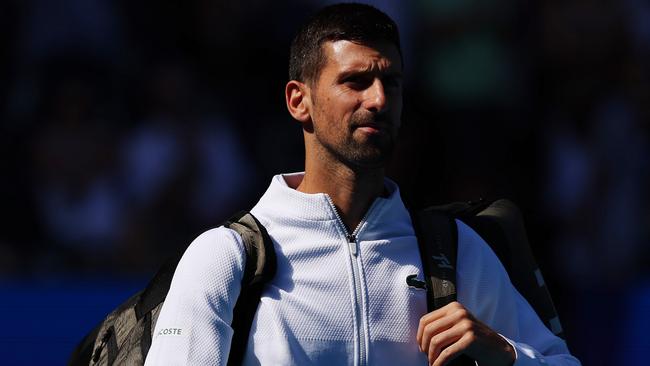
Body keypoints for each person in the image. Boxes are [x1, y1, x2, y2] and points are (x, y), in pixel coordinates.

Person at [144, 3, 580, 365]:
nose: (379, 99)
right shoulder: (225, 257)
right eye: (356, 81)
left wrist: (506, 353)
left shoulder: (455, 249)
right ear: (299, 101)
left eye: (391, 82)